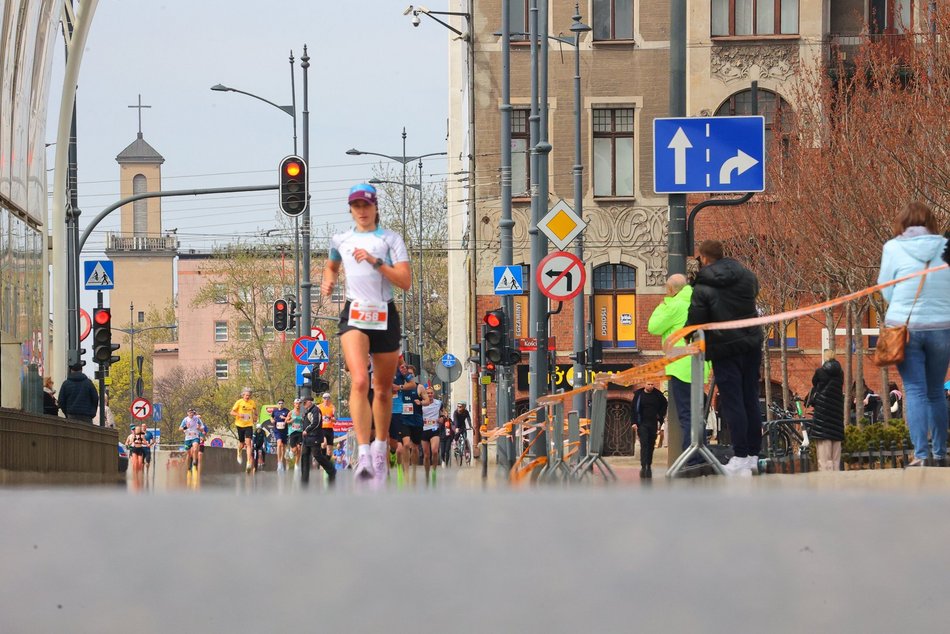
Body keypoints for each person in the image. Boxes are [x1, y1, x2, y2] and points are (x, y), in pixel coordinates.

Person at [321, 183, 411, 484]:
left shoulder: (390, 239)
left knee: (383, 389)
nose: (361, 211)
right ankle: (362, 453)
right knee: (360, 379)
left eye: (366, 205)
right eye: (356, 206)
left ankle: (380, 448)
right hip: (355, 314)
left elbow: (405, 281)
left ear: (375, 208)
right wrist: (329, 281)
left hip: (385, 313)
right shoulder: (341, 239)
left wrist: (376, 262)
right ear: (350, 209)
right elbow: (331, 266)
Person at [876, 201, 950, 467]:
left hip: (905, 328)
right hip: (942, 327)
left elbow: (885, 287)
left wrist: (901, 304)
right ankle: (940, 454)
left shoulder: (893, 248)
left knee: (915, 390)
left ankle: (921, 455)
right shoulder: (944, 246)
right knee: (935, 391)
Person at [685, 239, 764, 476]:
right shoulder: (748, 276)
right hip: (751, 344)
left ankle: (739, 456)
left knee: (733, 402)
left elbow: (696, 320)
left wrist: (688, 334)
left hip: (725, 349)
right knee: (751, 398)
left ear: (705, 258)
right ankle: (752, 455)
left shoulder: (702, 286)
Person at [647, 273, 710, 458]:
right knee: (696, 415)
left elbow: (653, 327)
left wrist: (662, 306)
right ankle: (702, 455)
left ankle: (692, 459)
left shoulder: (674, 305)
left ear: (671, 289)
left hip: (681, 367)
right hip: (700, 365)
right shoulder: (699, 303)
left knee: (686, 415)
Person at [808, 350, 845, 471]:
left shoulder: (820, 372)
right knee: (835, 447)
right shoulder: (840, 373)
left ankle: (826, 476)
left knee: (824, 449)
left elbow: (814, 383)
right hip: (836, 412)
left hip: (822, 414)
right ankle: (835, 474)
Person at [630, 381, 668, 478]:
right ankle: (643, 465)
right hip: (642, 423)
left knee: (651, 444)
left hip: (653, 423)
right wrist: (634, 422)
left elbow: (664, 404)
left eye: (652, 384)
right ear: (644, 384)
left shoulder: (658, 395)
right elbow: (633, 409)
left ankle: (649, 464)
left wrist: (660, 416)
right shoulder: (639, 395)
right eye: (648, 384)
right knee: (644, 443)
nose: (650, 386)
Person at [300, 395, 336, 484]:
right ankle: (304, 478)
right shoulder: (307, 410)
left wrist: (306, 430)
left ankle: (331, 470)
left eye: (304, 402)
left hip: (314, 437)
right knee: (304, 455)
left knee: (317, 455)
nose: (303, 404)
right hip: (306, 438)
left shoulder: (316, 410)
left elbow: (315, 423)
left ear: (309, 402)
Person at [230, 387, 258, 472]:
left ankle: (248, 462)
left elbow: (255, 411)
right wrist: (239, 415)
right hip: (240, 425)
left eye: (249, 395)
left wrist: (255, 416)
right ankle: (239, 451)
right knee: (242, 444)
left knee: (248, 443)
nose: (247, 397)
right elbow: (231, 412)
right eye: (246, 395)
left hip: (249, 425)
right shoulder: (239, 402)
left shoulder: (252, 402)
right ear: (243, 395)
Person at [421, 387, 442, 484]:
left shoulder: (438, 403)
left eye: (431, 393)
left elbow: (443, 413)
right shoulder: (422, 403)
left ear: (434, 394)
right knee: (426, 455)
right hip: (424, 429)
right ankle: (426, 473)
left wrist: (442, 418)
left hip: (434, 428)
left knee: (434, 451)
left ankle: (434, 471)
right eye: (427, 393)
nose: (429, 394)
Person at [180, 407, 206, 472]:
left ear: (193, 413)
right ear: (187, 413)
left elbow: (202, 429)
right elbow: (180, 428)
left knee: (195, 448)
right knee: (188, 454)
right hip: (188, 438)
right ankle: (188, 467)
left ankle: (194, 461)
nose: (191, 414)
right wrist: (186, 427)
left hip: (195, 437)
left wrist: (199, 428)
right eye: (189, 412)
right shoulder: (185, 419)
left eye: (192, 412)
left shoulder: (197, 419)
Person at [271, 399, 290, 472]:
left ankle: (281, 461)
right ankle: (279, 462)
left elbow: (289, 419)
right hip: (277, 430)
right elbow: (272, 417)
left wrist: (284, 418)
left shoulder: (287, 411)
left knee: (283, 447)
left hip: (284, 430)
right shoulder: (275, 411)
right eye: (279, 403)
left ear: (283, 404)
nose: (280, 404)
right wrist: (272, 420)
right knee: (279, 444)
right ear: (277, 404)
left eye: (282, 403)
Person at [318, 392, 336, 460]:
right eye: (325, 398)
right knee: (323, 444)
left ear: (330, 399)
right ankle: (322, 460)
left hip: (330, 429)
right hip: (322, 429)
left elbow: (335, 420)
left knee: (329, 451)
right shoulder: (319, 407)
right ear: (322, 399)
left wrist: (330, 418)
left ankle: (326, 463)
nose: (326, 399)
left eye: (328, 398)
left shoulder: (332, 407)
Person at [288, 398, 304, 472]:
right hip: (292, 432)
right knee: (295, 450)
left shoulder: (302, 413)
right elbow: (286, 421)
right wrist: (291, 420)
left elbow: (305, 421)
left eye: (299, 403)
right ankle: (290, 451)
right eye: (297, 403)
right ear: (294, 404)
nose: (298, 405)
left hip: (299, 432)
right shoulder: (291, 412)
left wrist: (303, 420)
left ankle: (296, 464)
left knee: (299, 449)